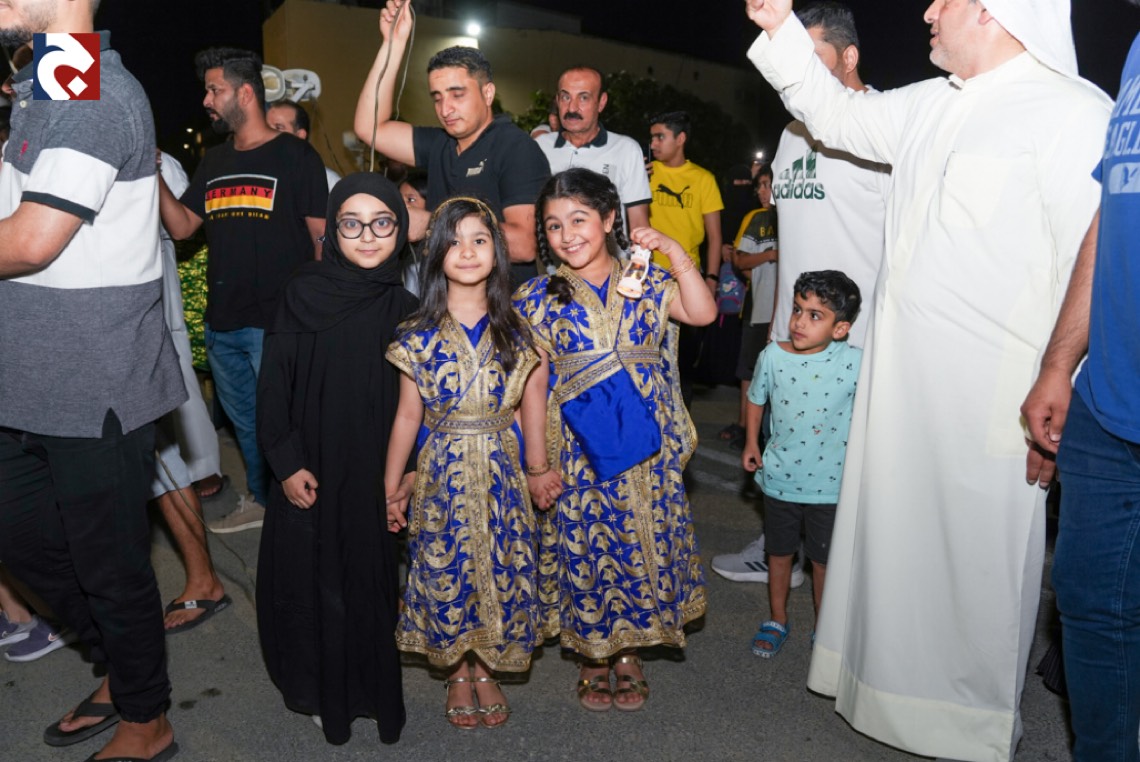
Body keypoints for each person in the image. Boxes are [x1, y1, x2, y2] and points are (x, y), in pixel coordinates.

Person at [744, 0, 1111, 759]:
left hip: (994, 396)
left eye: (947, 0)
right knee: (892, 545)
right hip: (899, 384)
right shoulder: (926, 103)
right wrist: (778, 23)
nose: (929, 11)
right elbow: (834, 116)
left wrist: (1064, 382)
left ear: (995, 10)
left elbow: (1094, 267)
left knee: (972, 563)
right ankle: (883, 693)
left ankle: (966, 724)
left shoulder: (1074, 112)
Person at [0, 1, 185, 760]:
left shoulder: (97, 91)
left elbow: (32, 240)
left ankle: (147, 718)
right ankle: (121, 665)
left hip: (97, 382)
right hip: (24, 378)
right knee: (25, 541)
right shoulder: (52, 80)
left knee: (111, 568)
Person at [514, 168, 717, 712]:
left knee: (638, 545)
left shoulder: (647, 280)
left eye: (579, 219)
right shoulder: (535, 297)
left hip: (649, 443)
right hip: (579, 449)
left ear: (609, 219)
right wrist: (537, 464)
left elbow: (702, 312)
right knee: (589, 545)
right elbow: (531, 386)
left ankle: (628, 653)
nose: (567, 235)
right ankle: (593, 656)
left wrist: (674, 251)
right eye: (553, 225)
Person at [712, 0, 889, 587]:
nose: (797, 68)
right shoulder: (791, 134)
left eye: (811, 54)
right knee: (786, 450)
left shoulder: (880, 125)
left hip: (856, 339)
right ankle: (778, 548)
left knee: (849, 469)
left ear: (850, 56)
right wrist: (776, 327)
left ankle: (850, 576)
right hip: (792, 331)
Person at [255, 173, 418, 745]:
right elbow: (273, 384)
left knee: (370, 581)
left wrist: (409, 473)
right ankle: (324, 690)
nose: (367, 237)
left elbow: (421, 404)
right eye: (352, 224)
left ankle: (371, 692)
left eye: (382, 223)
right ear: (333, 230)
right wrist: (285, 461)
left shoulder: (408, 308)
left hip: (376, 471)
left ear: (400, 229)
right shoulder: (302, 292)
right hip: (313, 467)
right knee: (314, 580)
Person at [384, 196, 554, 730]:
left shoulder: (517, 330)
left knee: (501, 566)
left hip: (502, 469)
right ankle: (458, 671)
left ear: (497, 253)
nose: (467, 250)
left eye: (480, 240)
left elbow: (529, 407)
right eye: (454, 242)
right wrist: (390, 486)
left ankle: (487, 665)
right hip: (442, 473)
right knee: (447, 566)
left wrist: (536, 469)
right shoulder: (417, 333)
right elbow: (407, 416)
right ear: (435, 255)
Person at [1020, 11, 1140, 760]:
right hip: (1108, 402)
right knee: (1092, 609)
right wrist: (1060, 362)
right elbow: (1112, 214)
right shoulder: (1138, 51)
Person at [159, 47, 328, 535]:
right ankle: (264, 501)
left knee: (288, 423)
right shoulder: (214, 160)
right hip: (223, 325)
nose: (207, 100)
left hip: (278, 323)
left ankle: (306, 510)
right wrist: (152, 175)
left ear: (246, 93)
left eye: (215, 90)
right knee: (249, 427)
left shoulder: (295, 155)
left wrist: (318, 316)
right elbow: (183, 226)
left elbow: (321, 239)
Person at [354, 0, 551, 287]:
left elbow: (524, 245)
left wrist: (433, 223)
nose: (445, 109)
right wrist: (393, 45)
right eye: (437, 97)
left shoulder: (515, 147)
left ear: (487, 93)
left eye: (457, 95)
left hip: (499, 306)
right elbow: (369, 128)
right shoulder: (440, 143)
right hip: (444, 301)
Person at [741, 271, 861, 657]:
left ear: (840, 329)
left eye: (814, 315)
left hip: (831, 484)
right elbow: (756, 398)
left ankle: (824, 628)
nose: (799, 321)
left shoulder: (856, 363)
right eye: (797, 309)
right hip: (780, 478)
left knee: (823, 561)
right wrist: (751, 442)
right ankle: (777, 618)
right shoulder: (773, 356)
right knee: (779, 554)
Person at [154, 151, 228, 634]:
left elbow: (183, 226)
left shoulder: (156, 161)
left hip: (130, 317)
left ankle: (204, 578)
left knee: (160, 453)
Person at [536, 65, 651, 231]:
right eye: (566, 97)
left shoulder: (626, 150)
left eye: (583, 98)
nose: (572, 108)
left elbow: (639, 224)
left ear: (601, 102)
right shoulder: (539, 147)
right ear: (557, 100)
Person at [719, 166, 778, 449]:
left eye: (768, 185)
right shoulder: (756, 218)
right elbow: (740, 260)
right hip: (758, 306)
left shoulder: (795, 217)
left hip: (789, 309)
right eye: (759, 186)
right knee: (750, 370)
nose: (762, 192)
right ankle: (745, 427)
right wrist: (770, 256)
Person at [266, 99, 342, 190]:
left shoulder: (327, 181)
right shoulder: (256, 174)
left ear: (300, 135)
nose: (268, 133)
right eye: (265, 127)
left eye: (278, 127)